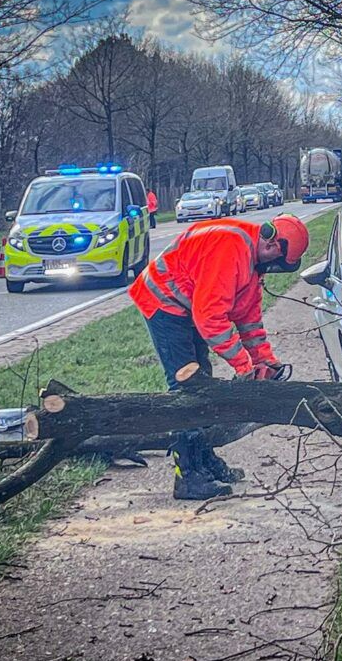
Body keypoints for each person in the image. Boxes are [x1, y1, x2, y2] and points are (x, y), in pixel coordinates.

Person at [128, 214, 311, 499]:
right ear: (274, 245)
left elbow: (249, 321)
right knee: (186, 388)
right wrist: (244, 366)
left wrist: (266, 361)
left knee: (203, 382)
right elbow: (210, 317)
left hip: (188, 305)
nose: (275, 269)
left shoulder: (253, 265)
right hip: (163, 301)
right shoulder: (230, 249)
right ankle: (187, 475)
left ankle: (203, 459)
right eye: (279, 262)